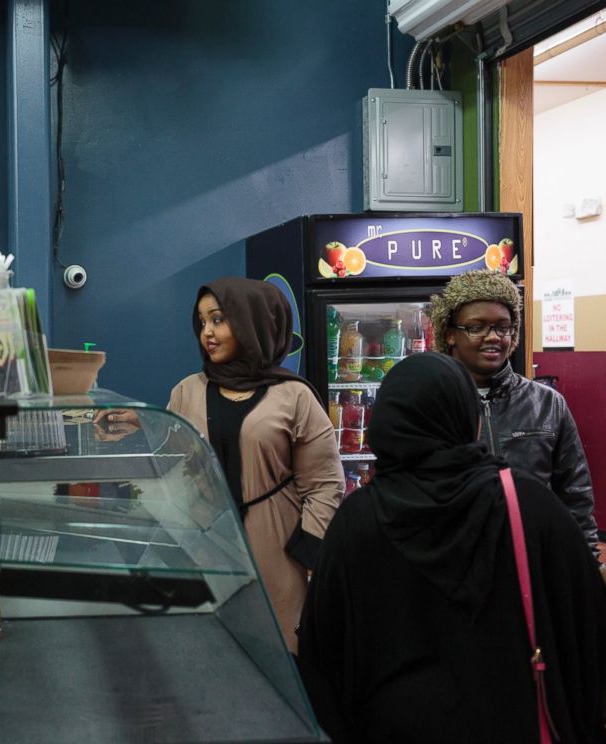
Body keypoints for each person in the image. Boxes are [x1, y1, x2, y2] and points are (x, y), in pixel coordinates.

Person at [297, 352, 606, 744]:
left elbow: (322, 657)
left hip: (389, 725)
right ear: (466, 416)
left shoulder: (355, 522)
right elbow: (586, 630)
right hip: (516, 720)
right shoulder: (530, 507)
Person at [97, 277, 343, 653]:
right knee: (213, 656)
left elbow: (324, 483)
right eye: (202, 322)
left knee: (279, 656)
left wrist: (307, 550)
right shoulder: (187, 390)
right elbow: (174, 461)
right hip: (203, 546)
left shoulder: (295, 397)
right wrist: (137, 426)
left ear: (252, 322)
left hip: (275, 549)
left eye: (218, 320)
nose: (206, 333)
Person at [429, 269, 598, 552]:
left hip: (535, 558)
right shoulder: (431, 404)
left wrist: (588, 566)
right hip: (458, 564)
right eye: (476, 327)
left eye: (502, 327)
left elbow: (576, 497)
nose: (492, 336)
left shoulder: (547, 404)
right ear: (450, 335)